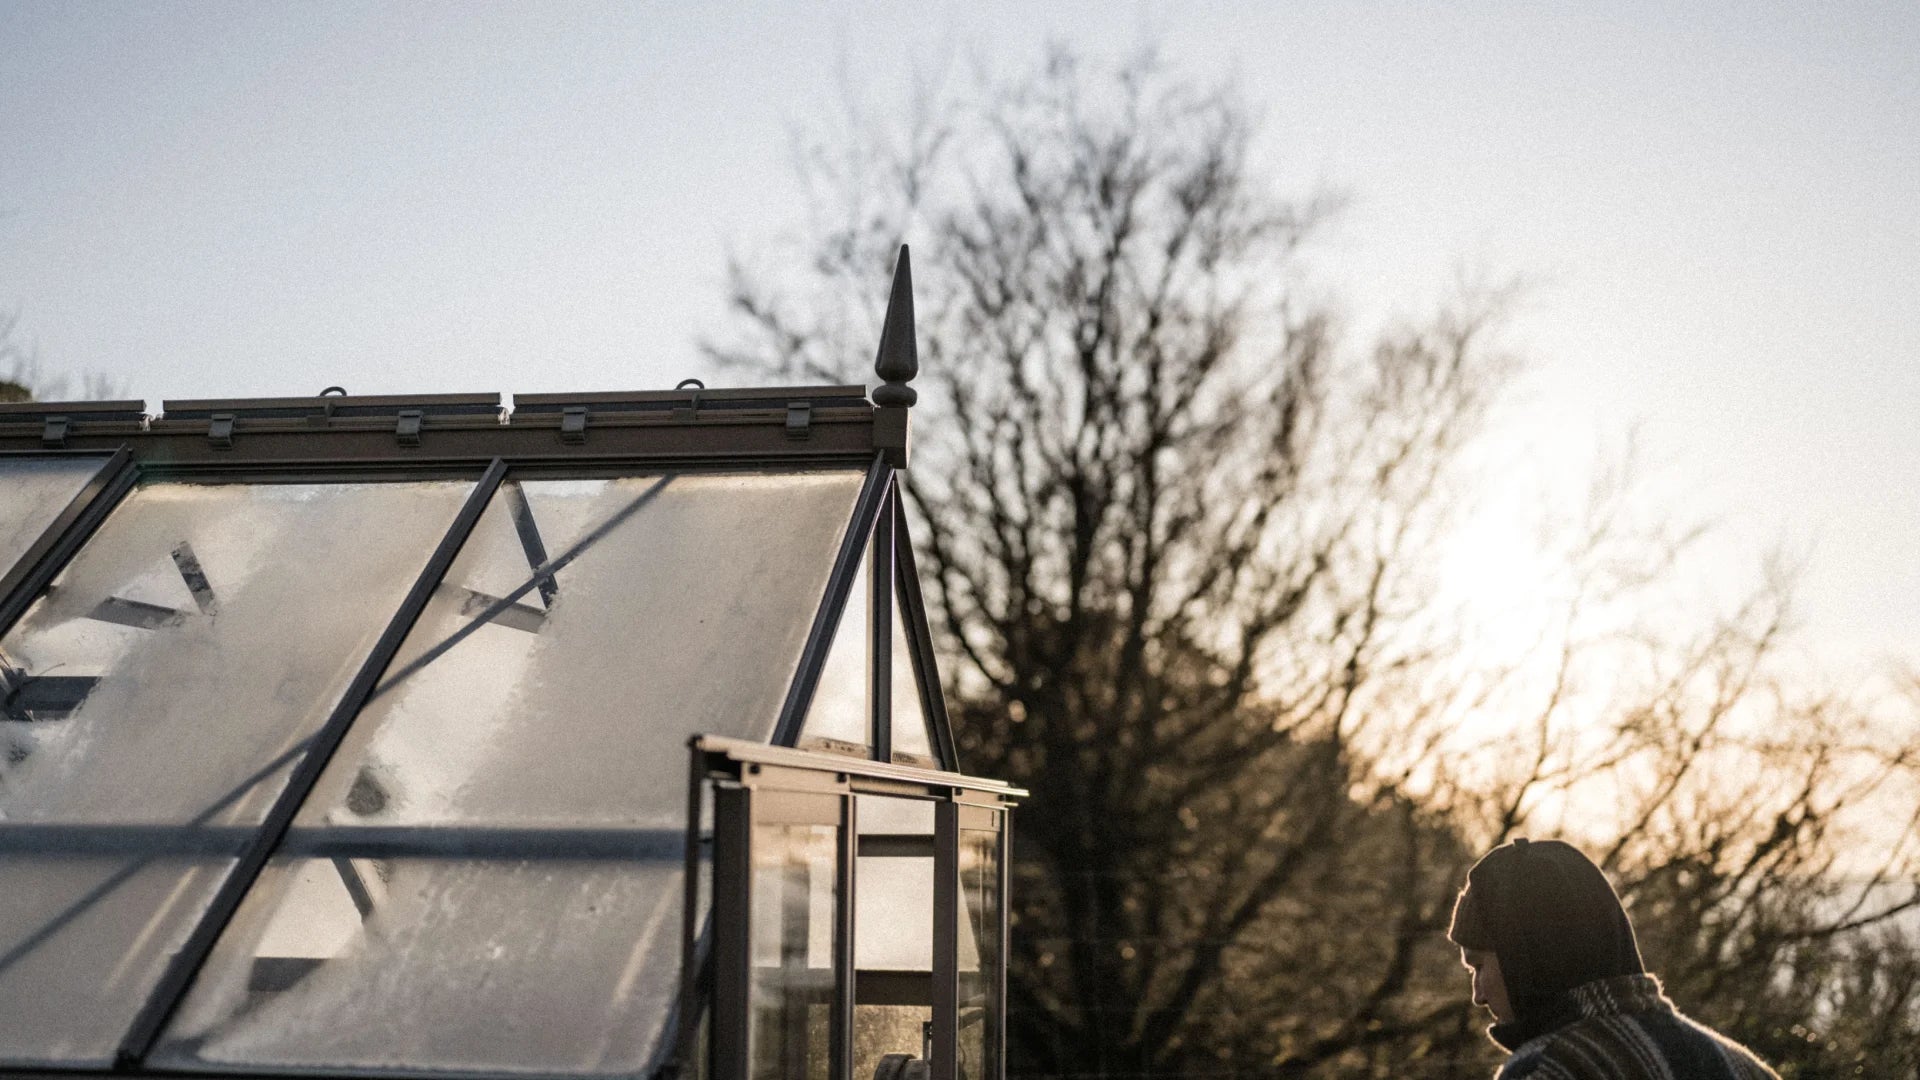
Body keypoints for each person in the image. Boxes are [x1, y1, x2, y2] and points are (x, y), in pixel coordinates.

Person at [1449, 838, 1780, 1079]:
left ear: (1524, 957)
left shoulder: (1548, 1070)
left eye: (1478, 966)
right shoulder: (1744, 1069)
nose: (1477, 995)